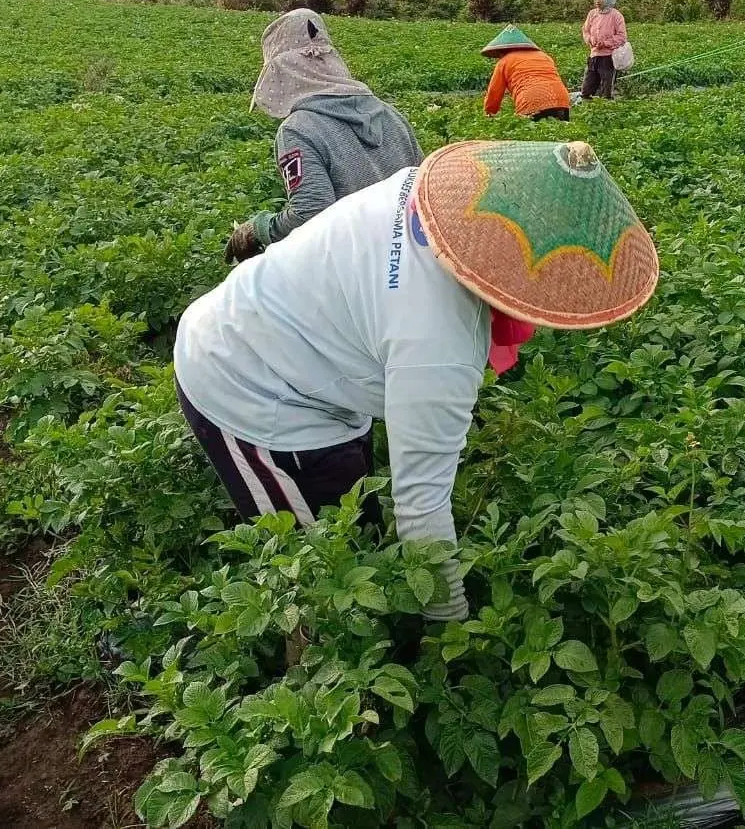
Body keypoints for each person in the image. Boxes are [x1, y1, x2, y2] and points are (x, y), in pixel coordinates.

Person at [174, 140, 660, 622]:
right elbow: (421, 506)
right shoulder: (437, 343)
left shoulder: (427, 188)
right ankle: (315, 664)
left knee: (353, 514)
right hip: (240, 376)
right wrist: (452, 634)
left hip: (296, 334)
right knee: (323, 568)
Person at [226, 8, 424, 263]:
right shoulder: (389, 114)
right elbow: (424, 185)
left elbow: (310, 212)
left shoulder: (297, 130)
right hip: (412, 260)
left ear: (284, 74)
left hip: (357, 273)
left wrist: (258, 230)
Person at [482, 25, 572, 122]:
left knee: (531, 133)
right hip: (560, 100)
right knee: (559, 133)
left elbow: (494, 92)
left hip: (531, 101)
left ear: (502, 50)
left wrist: (489, 113)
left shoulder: (504, 61)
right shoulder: (544, 56)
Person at [581, 0, 627, 101]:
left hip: (608, 58)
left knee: (607, 92)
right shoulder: (592, 14)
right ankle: (588, 111)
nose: (597, 1)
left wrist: (606, 43)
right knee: (586, 90)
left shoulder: (616, 16)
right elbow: (585, 31)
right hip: (593, 56)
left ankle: (607, 112)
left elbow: (622, 37)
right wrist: (590, 39)